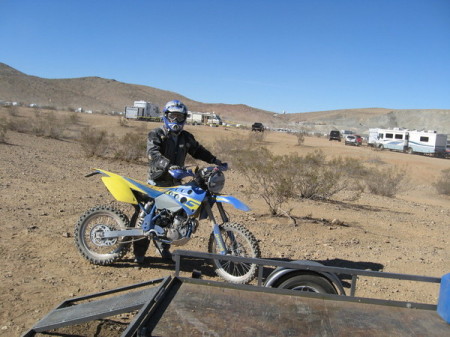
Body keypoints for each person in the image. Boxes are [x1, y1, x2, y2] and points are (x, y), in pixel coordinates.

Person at [133, 100, 222, 264]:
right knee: (146, 217)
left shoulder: (186, 137)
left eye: (179, 117)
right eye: (172, 116)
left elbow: (198, 150)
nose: (175, 120)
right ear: (166, 116)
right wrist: (168, 165)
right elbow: (153, 154)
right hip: (156, 182)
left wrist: (215, 160)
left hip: (174, 183)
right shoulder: (156, 134)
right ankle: (139, 254)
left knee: (169, 219)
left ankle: (164, 249)